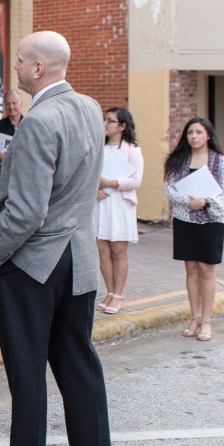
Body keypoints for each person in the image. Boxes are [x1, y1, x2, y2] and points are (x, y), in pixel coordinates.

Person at [0, 31, 111, 446]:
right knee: (79, 362)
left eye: (19, 60)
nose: (13, 67)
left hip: (34, 264)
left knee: (27, 371)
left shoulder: (37, 121)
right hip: (81, 258)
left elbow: (27, 211)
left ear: (38, 68)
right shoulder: (91, 108)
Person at [164, 117, 224, 341]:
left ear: (208, 136)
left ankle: (206, 320)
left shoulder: (221, 162)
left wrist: (204, 202)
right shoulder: (179, 160)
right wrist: (189, 200)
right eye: (190, 132)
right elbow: (169, 189)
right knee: (191, 269)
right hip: (185, 220)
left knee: (206, 270)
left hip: (211, 222)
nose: (193, 136)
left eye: (198, 132)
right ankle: (194, 317)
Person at [95, 107, 144, 315]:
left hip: (120, 204)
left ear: (122, 126)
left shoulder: (132, 150)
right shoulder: (99, 147)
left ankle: (119, 294)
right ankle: (109, 291)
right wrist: (95, 188)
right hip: (100, 203)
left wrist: (109, 183)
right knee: (102, 250)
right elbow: (90, 174)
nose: (106, 124)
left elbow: (136, 180)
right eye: (105, 120)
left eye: (111, 121)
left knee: (118, 251)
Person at [0, 91, 23, 185]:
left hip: (24, 173)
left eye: (14, 103)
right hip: (4, 175)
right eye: (8, 103)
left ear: (20, 103)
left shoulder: (29, 125)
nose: (11, 107)